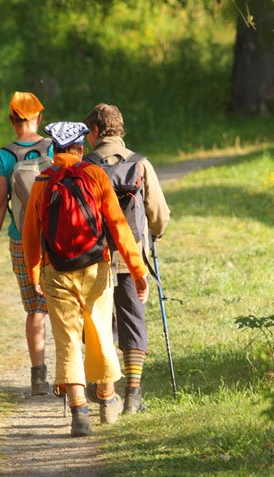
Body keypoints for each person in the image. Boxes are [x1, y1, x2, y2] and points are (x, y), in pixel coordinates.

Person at [21, 121, 149, 436]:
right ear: (80, 148)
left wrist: (34, 272)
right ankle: (106, 398)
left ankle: (79, 412)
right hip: (96, 269)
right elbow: (118, 226)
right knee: (100, 333)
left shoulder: (43, 181)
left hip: (56, 272)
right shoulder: (94, 176)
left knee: (67, 342)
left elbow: (30, 234)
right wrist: (138, 271)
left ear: (53, 150)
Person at [82, 103, 171, 414]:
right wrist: (153, 237)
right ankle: (133, 393)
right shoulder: (140, 164)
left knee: (99, 321)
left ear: (94, 131)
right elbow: (158, 213)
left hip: (94, 257)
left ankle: (104, 387)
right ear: (120, 130)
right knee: (133, 319)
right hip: (131, 256)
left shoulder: (86, 165)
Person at [0, 91, 55, 396]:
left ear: (12, 119)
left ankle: (38, 376)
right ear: (38, 117)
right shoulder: (55, 147)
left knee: (35, 308)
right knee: (66, 302)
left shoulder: (5, 155)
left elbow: (0, 203)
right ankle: (73, 371)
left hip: (21, 240)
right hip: (56, 237)